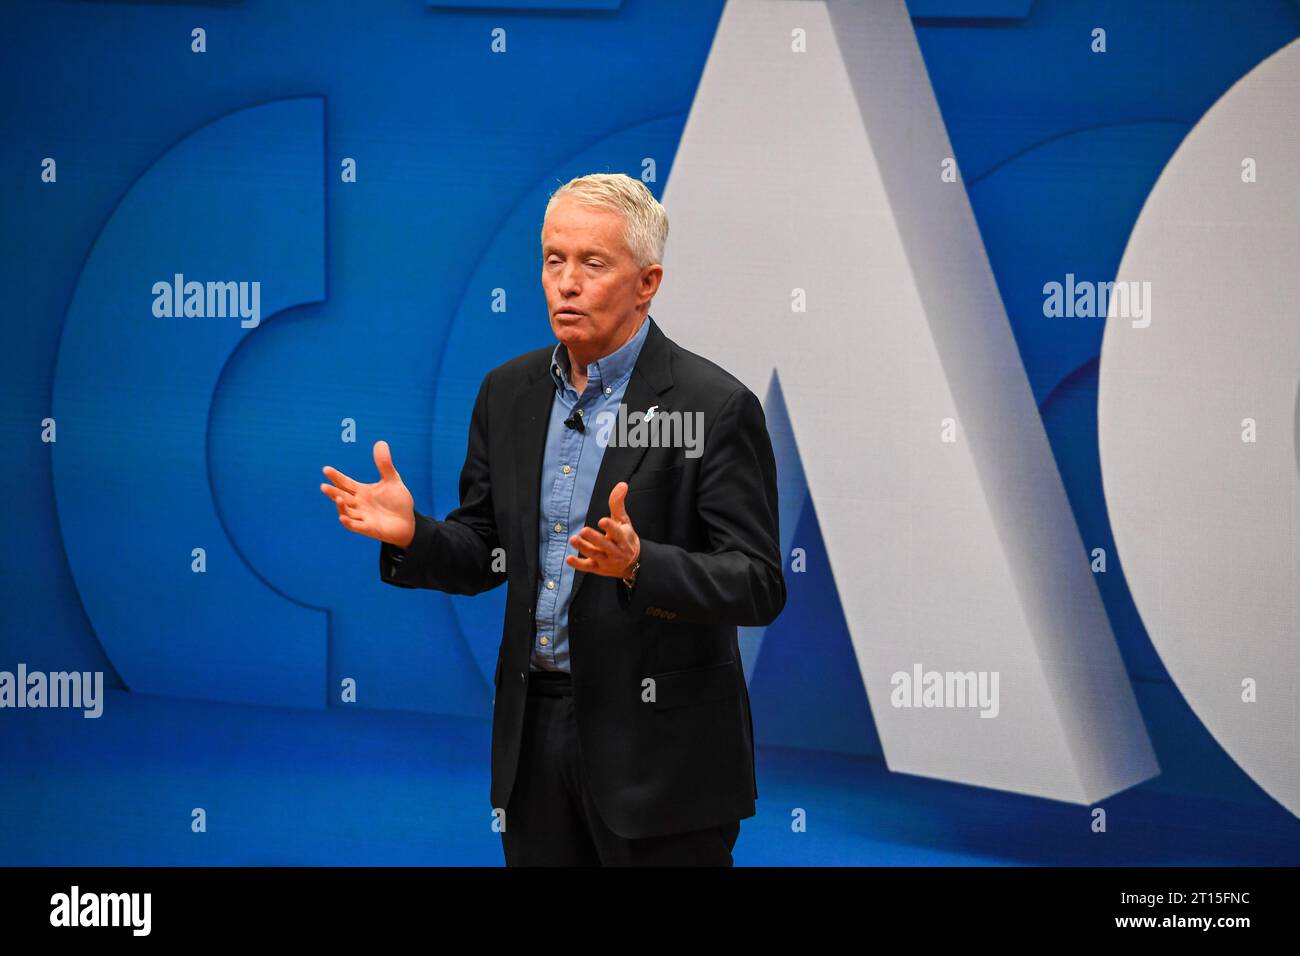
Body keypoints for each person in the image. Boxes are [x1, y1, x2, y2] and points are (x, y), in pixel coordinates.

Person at [320, 172, 785, 865]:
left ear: (647, 282)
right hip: (533, 742)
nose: (566, 282)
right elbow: (485, 551)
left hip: (662, 758)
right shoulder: (507, 393)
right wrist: (415, 534)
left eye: (592, 263)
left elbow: (757, 582)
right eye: (552, 259)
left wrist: (641, 565)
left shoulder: (713, 408)